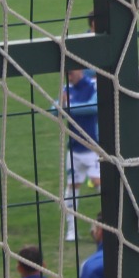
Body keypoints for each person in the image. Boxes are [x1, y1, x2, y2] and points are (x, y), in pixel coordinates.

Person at [53, 67, 100, 242]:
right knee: (72, 188)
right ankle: (71, 231)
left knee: (99, 184)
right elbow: (54, 110)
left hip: (93, 148)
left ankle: (113, 221)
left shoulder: (93, 86)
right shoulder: (67, 89)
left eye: (71, 73)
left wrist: (66, 107)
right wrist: (61, 106)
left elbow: (92, 107)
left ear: (80, 71)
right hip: (74, 149)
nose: (68, 76)